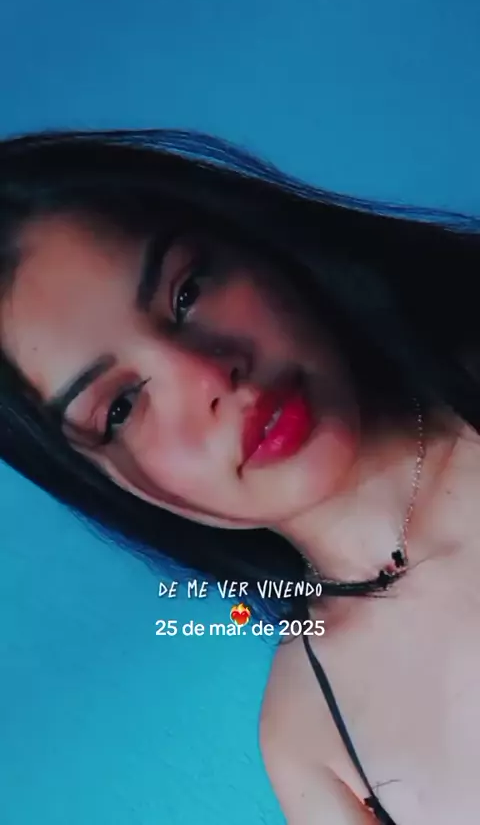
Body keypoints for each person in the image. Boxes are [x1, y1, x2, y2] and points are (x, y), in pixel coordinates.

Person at [1, 128, 480, 824]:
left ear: (250, 241)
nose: (206, 375)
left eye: (187, 292)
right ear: (103, 480)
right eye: (122, 406)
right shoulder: (308, 734)